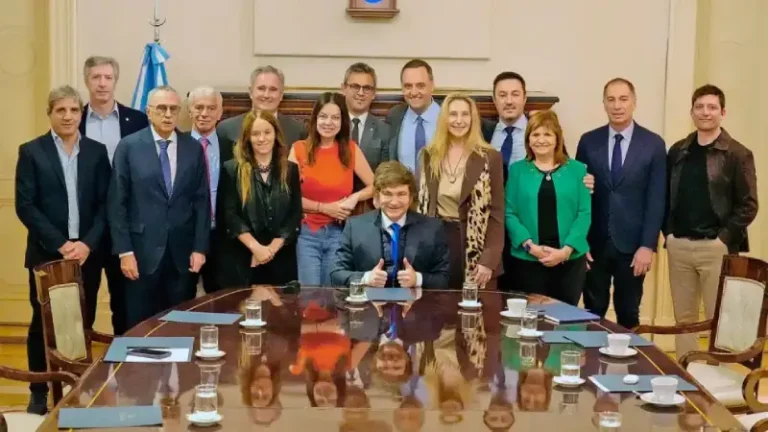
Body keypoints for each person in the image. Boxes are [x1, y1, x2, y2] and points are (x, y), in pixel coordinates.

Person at [15, 85, 111, 414]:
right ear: (50, 114)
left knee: (82, 321)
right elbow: (26, 206)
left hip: (86, 255)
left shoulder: (97, 152)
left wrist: (86, 244)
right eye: (61, 110)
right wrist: (61, 244)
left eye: (73, 110)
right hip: (47, 254)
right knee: (41, 325)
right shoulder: (32, 151)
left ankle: (76, 386)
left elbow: (106, 204)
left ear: (81, 114)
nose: (68, 116)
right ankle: (38, 390)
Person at [665, 84, 758, 358]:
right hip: (679, 247)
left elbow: (749, 205)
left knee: (720, 320)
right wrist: (668, 233)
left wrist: (723, 240)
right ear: (692, 112)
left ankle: (716, 377)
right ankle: (686, 372)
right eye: (699, 107)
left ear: (722, 112)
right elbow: (665, 197)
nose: (705, 112)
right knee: (684, 321)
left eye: (712, 107)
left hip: (716, 249)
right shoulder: (678, 151)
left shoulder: (737, 154)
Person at [108, 85, 210, 328]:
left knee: (179, 326)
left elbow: (201, 201)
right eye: (161, 108)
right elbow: (117, 203)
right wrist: (124, 252)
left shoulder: (192, 147)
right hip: (140, 254)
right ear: (148, 111)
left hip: (182, 256)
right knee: (141, 326)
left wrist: (200, 248)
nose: (168, 114)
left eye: (173, 109)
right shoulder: (129, 146)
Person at [576, 78, 667, 329]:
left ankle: (630, 356)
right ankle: (592, 354)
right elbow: (579, 197)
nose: (617, 105)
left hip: (633, 247)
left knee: (628, 312)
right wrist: (580, 242)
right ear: (604, 103)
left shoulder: (653, 144)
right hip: (594, 245)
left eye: (623, 99)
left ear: (634, 102)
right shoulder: (588, 141)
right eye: (611, 99)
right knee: (592, 313)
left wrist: (647, 245)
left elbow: (657, 199)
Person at [78, 55, 148, 335]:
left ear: (115, 81)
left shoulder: (138, 120)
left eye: (108, 77)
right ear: (87, 81)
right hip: (86, 229)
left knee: (127, 305)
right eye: (96, 77)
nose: (102, 83)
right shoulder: (74, 118)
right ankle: (82, 363)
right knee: (83, 304)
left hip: (126, 228)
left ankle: (125, 360)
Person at [417, 93, 505, 290]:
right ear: (444, 119)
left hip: (475, 247)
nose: (459, 120)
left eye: (465, 114)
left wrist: (488, 260)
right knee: (436, 306)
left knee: (475, 308)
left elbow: (497, 214)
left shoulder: (490, 157)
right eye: (453, 114)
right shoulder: (428, 155)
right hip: (437, 243)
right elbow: (420, 208)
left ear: (473, 119)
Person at [505, 110, 591, 305]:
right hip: (528, 261)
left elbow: (584, 213)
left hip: (569, 261)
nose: (541, 140)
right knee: (530, 319)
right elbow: (509, 213)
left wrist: (566, 251)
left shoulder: (578, 170)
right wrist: (530, 247)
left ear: (557, 138)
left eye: (547, 134)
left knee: (565, 319)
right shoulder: (517, 170)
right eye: (535, 134)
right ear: (528, 140)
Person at [288, 92, 374, 286]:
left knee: (332, 294)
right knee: (310, 294)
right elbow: (288, 196)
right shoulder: (299, 149)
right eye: (323, 116)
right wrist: (325, 208)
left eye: (335, 117)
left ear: (343, 121)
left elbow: (376, 185)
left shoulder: (350, 149)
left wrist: (354, 197)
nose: (329, 122)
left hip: (338, 233)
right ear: (315, 119)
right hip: (306, 233)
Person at [331, 161, 450, 289]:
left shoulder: (433, 228)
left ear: (411, 198)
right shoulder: (355, 227)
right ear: (377, 196)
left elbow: (444, 279)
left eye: (401, 194)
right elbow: (336, 275)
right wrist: (366, 278)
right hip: (370, 301)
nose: (394, 202)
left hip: (416, 301)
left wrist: (418, 279)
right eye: (387, 194)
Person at [219, 110, 301, 286]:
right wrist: (256, 249)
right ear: (247, 138)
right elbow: (230, 216)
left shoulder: (290, 170)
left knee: (281, 304)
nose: (262, 138)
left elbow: (295, 214)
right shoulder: (232, 170)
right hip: (244, 259)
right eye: (255, 134)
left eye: (267, 132)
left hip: (281, 258)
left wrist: (270, 250)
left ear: (276, 134)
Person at [187, 86, 233, 293]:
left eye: (211, 108)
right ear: (190, 111)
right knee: (183, 301)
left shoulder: (234, 149)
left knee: (222, 300)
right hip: (186, 236)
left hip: (222, 238)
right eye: (199, 107)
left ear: (220, 113)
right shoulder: (175, 146)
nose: (204, 113)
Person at [217, 65, 307, 148]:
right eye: (261, 88)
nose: (266, 95)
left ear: (281, 95)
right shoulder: (227, 129)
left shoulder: (297, 131)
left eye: (273, 89)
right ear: (251, 92)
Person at [387, 59, 441, 173]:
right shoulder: (394, 116)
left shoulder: (449, 116)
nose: (414, 92)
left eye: (420, 85)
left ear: (432, 85)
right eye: (408, 86)